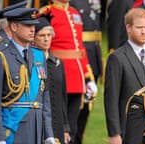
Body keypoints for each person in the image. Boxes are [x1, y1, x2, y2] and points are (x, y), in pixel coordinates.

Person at [0, 7, 56, 144]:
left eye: (33, 25)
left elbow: (45, 97)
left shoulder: (39, 56)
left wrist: (48, 133)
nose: (32, 29)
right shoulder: (0, 57)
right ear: (14, 26)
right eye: (27, 25)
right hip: (13, 131)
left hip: (37, 130)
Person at [39, 0, 98, 143]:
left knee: (73, 126)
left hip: (76, 77)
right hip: (57, 73)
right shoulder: (46, 13)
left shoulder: (74, 13)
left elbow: (79, 48)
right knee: (58, 126)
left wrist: (87, 76)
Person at [104, 8, 145, 144]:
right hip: (128, 129)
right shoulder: (117, 58)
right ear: (128, 28)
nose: (143, 31)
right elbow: (111, 98)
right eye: (139, 27)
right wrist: (114, 133)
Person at [33, 12, 71, 144]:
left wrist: (65, 127)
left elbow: (62, 98)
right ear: (34, 38)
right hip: (37, 123)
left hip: (58, 123)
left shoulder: (57, 63)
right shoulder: (30, 62)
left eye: (49, 35)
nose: (46, 39)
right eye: (42, 35)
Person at [69, 0, 102, 143]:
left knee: (87, 107)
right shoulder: (72, 2)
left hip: (93, 57)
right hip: (77, 58)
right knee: (75, 111)